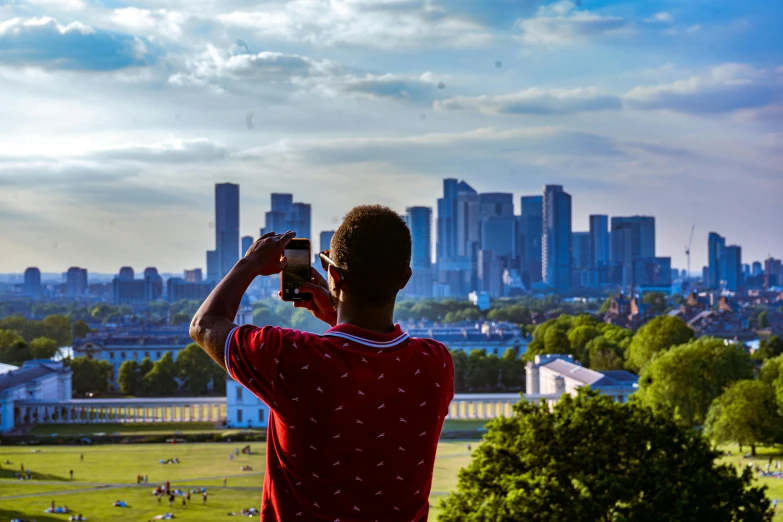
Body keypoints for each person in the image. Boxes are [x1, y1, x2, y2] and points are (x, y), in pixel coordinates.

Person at [190, 206, 455, 521]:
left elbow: (204, 325)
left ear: (334, 275)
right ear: (404, 279)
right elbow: (368, 366)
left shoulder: (290, 357)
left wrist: (252, 263)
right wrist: (335, 315)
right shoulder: (435, 363)